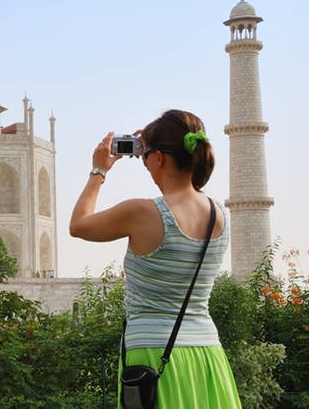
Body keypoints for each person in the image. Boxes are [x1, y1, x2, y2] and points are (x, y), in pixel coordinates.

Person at [69, 110, 241, 408]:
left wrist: (99, 171)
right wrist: (153, 143)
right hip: (208, 353)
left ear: (160, 158)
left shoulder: (143, 213)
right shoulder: (219, 214)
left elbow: (78, 225)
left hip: (152, 355)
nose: (145, 164)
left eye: (146, 156)